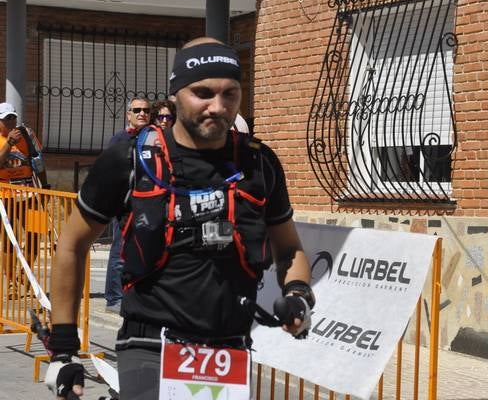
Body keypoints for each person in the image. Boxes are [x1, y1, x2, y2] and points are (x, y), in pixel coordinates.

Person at [46, 38, 313, 399]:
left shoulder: (259, 164)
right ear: (174, 94)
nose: (218, 107)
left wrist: (298, 295)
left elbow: (289, 249)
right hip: (151, 344)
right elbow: (72, 245)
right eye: (202, 93)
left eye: (230, 94)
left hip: (229, 351)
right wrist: (63, 349)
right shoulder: (130, 161)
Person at [103, 97, 151, 314]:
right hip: (123, 202)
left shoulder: (152, 138)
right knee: (119, 249)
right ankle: (114, 298)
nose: (142, 113)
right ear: (128, 114)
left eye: (146, 110)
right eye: (137, 110)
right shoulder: (120, 139)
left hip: (146, 202)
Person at [0, 102, 49, 295]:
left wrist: (45, 188)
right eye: (6, 119)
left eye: (13, 117)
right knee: (9, 240)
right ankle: (12, 282)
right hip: (5, 196)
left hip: (30, 192)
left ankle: (23, 272)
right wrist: (9, 143)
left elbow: (39, 160)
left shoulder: (26, 133)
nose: (11, 122)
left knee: (37, 233)